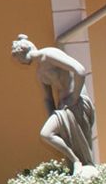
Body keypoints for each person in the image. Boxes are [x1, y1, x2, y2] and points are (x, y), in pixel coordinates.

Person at [11, 34, 97, 175]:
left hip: (76, 103)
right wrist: (52, 117)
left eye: (17, 58)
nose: (19, 62)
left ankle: (80, 162)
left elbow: (80, 71)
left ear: (21, 52)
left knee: (52, 136)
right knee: (47, 134)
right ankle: (75, 160)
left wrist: (75, 97)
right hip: (63, 108)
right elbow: (47, 99)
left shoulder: (49, 54)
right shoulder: (39, 73)